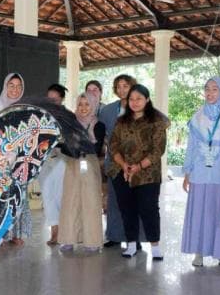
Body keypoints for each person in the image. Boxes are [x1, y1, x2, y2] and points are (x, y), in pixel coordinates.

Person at [107, 84, 169, 260]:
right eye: (131, 99)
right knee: (127, 209)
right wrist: (124, 164)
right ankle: (131, 244)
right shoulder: (121, 121)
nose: (134, 102)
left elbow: (158, 150)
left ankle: (155, 246)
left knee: (149, 209)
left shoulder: (157, 120)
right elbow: (113, 145)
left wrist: (138, 166)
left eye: (139, 99)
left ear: (147, 100)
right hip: (122, 171)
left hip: (148, 173)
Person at [181, 77, 220, 267]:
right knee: (200, 211)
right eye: (207, 89)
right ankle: (199, 253)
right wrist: (187, 172)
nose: (210, 93)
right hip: (200, 171)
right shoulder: (197, 116)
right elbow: (191, 147)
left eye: (215, 89)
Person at [98, 74, 145, 249]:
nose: (122, 90)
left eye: (125, 86)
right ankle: (115, 235)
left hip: (136, 164)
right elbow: (100, 134)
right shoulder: (108, 110)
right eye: (118, 86)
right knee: (115, 200)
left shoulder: (142, 108)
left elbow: (161, 122)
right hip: (114, 163)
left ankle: (135, 238)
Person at [58, 92, 105, 253]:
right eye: (80, 104)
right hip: (72, 164)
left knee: (91, 202)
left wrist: (75, 145)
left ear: (93, 106)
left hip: (90, 166)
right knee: (70, 202)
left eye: (87, 104)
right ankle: (68, 239)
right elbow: (63, 146)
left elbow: (96, 149)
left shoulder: (99, 125)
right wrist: (75, 147)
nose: (83, 108)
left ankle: (92, 241)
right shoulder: (70, 124)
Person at [0, 73, 31, 246]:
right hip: (1, 158)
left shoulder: (25, 107)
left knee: (19, 195)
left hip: (21, 158)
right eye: (11, 85)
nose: (15, 89)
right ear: (5, 87)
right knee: (2, 195)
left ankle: (17, 233)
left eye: (18, 86)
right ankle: (1, 235)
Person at [39, 83, 68, 245]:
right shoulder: (40, 114)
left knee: (59, 193)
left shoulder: (67, 115)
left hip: (61, 158)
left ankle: (63, 230)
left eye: (55, 100)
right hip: (43, 158)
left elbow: (69, 137)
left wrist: (60, 146)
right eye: (49, 99)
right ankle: (53, 230)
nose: (52, 102)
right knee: (47, 192)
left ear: (61, 100)